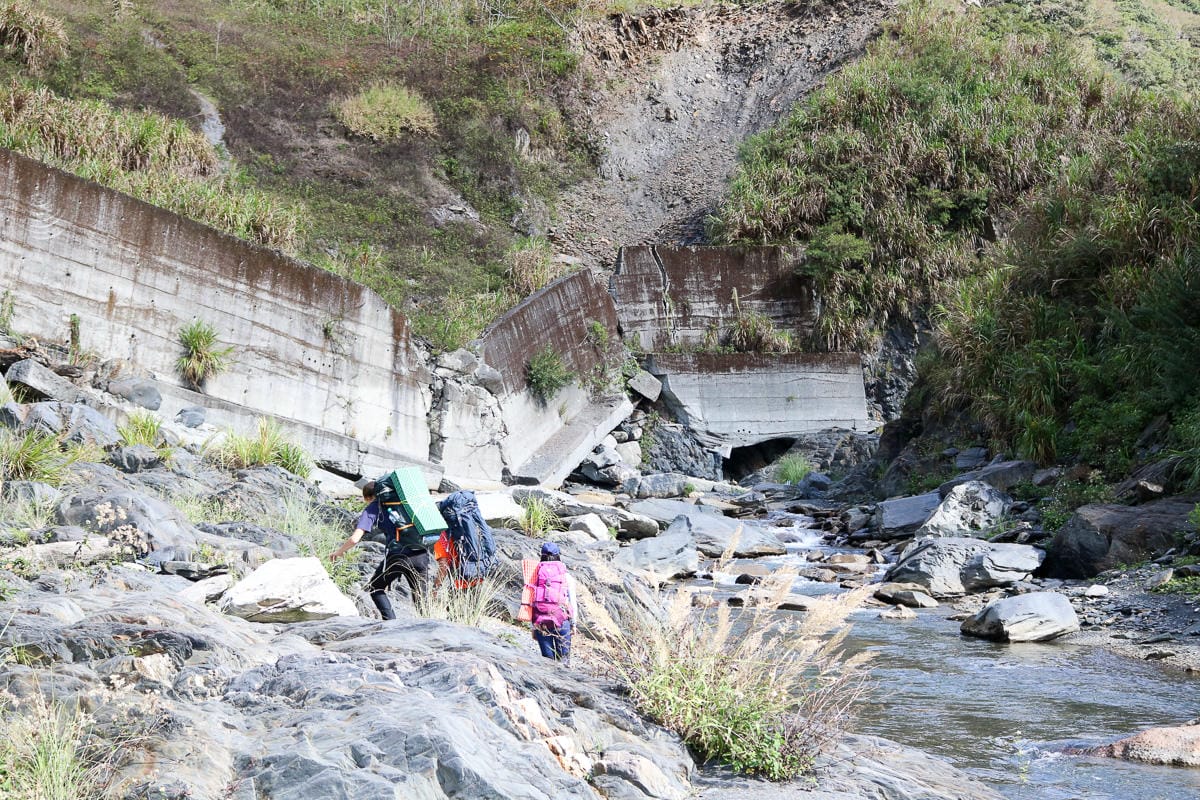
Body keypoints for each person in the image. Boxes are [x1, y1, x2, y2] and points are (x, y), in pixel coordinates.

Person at [330, 480, 429, 620]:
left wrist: (338, 552)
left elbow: (354, 539)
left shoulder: (373, 507)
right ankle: (428, 629)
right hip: (421, 553)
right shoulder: (404, 503)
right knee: (422, 600)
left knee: (376, 588)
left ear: (368, 497)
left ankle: (390, 624)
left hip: (398, 556)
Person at [528, 542, 578, 662]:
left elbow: (530, 602)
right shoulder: (566, 576)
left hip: (541, 621)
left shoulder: (535, 576)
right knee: (564, 660)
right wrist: (573, 623)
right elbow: (572, 601)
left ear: (542, 556)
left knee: (548, 662)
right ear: (558, 556)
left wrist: (533, 627)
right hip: (562, 621)